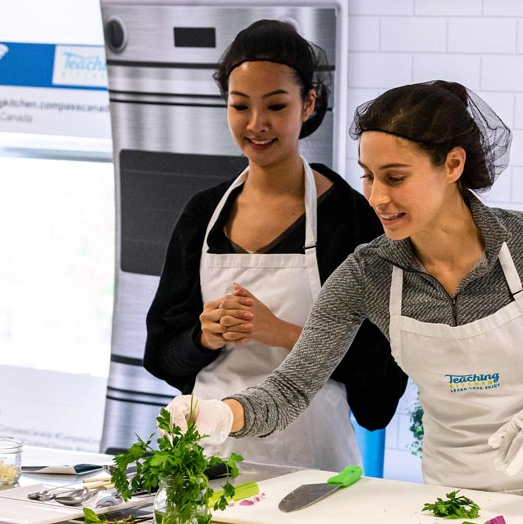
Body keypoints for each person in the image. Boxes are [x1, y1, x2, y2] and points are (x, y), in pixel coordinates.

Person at [165, 80, 523, 492]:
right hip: (457, 498)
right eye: (368, 176)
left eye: (395, 178)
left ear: (452, 164)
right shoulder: (366, 274)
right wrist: (223, 415)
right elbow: (291, 389)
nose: (376, 197)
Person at [143, 20, 407, 471]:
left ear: (308, 104)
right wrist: (204, 337)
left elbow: (384, 373)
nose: (256, 124)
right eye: (239, 106)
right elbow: (162, 355)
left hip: (310, 459)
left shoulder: (351, 217)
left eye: (276, 105)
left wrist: (282, 333)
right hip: (207, 458)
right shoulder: (202, 214)